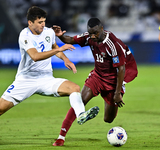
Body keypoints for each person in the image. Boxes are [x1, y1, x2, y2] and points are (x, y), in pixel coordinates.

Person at [0, 7, 99, 149]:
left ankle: (81, 115)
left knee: (74, 88)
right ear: (30, 22)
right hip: (25, 80)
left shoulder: (48, 32)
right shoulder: (24, 36)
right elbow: (35, 56)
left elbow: (54, 46)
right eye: (39, 22)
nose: (43, 25)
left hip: (46, 79)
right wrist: (58, 50)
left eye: (44, 21)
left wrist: (65, 59)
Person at [52, 17, 138, 146]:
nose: (92, 36)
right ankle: (61, 137)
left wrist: (117, 93)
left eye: (95, 33)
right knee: (79, 101)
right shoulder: (89, 37)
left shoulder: (113, 44)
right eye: (90, 33)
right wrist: (60, 36)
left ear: (102, 29)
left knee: (108, 119)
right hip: (97, 76)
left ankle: (110, 96)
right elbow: (70, 39)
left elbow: (121, 69)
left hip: (113, 80)